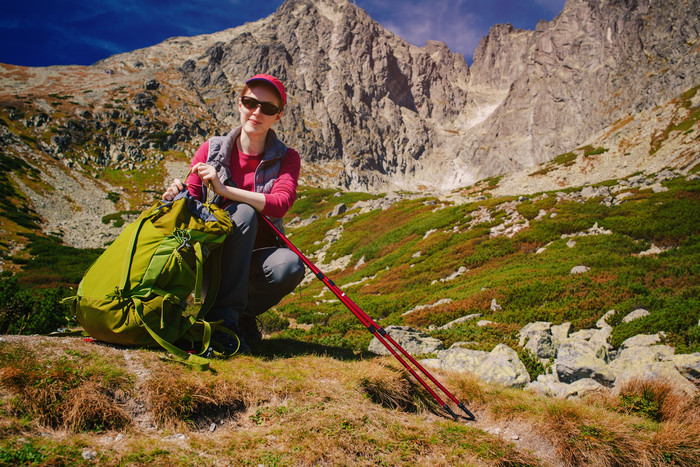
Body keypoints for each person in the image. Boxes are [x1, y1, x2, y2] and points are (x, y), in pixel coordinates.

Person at [162, 74, 305, 354]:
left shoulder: (288, 157)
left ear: (278, 116)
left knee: (290, 266)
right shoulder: (211, 149)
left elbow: (280, 203)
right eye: (250, 102)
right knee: (243, 213)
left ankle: (232, 318)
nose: (257, 112)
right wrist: (174, 196)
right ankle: (224, 324)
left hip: (256, 263)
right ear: (240, 103)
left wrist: (224, 190)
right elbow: (191, 200)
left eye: (268, 108)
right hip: (212, 260)